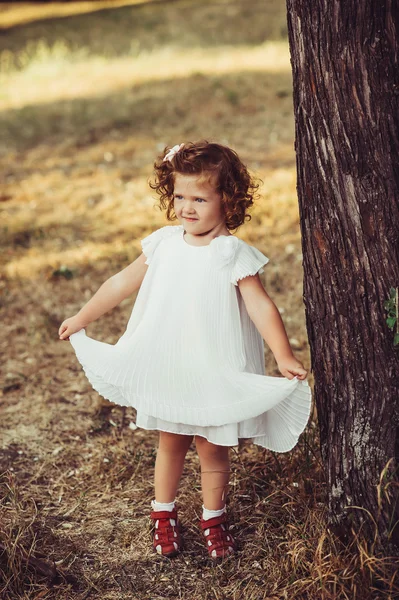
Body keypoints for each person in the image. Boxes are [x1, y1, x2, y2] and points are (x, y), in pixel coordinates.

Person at [59, 141, 312, 560]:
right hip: (170, 363)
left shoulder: (232, 252)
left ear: (227, 201)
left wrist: (283, 355)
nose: (187, 208)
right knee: (171, 440)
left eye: (199, 198)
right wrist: (84, 317)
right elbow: (121, 283)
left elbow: (260, 306)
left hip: (213, 366)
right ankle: (164, 515)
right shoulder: (163, 243)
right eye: (179, 196)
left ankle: (214, 518)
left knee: (212, 449)